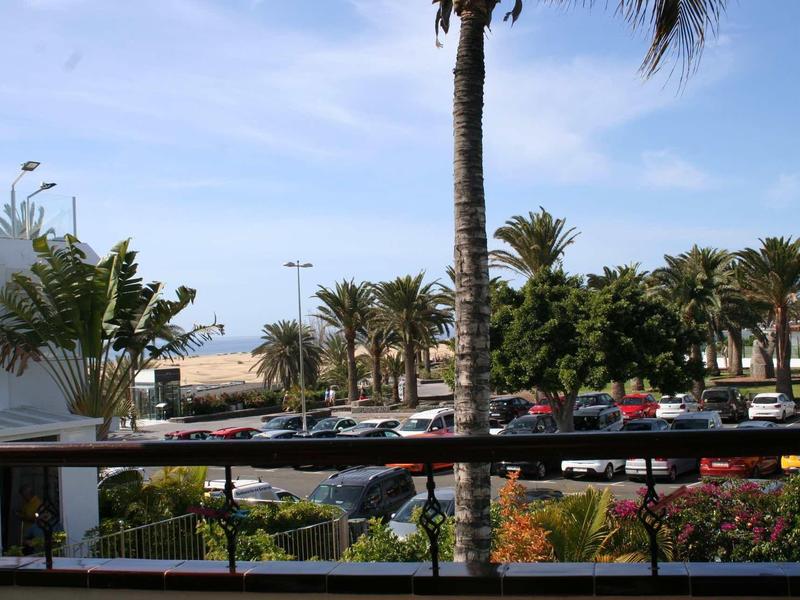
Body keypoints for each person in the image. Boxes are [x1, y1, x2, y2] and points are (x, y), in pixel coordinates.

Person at [16, 484, 42, 554]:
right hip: (26, 534)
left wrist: (23, 517)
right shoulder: (26, 503)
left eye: (23, 495)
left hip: (34, 535)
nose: (22, 497)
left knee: (31, 553)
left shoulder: (37, 504)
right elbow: (24, 512)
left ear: (28, 494)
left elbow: (37, 519)